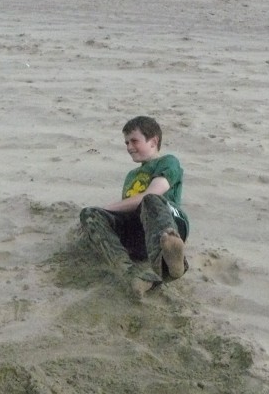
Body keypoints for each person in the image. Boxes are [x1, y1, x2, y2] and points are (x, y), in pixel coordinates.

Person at [80, 116, 190, 295]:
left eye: (134, 141)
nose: (129, 147)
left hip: (169, 221)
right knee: (89, 213)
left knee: (150, 200)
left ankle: (170, 260)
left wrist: (107, 207)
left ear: (153, 141)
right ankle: (129, 273)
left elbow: (154, 193)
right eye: (126, 143)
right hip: (139, 233)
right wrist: (98, 216)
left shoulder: (168, 161)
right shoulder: (131, 175)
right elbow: (126, 210)